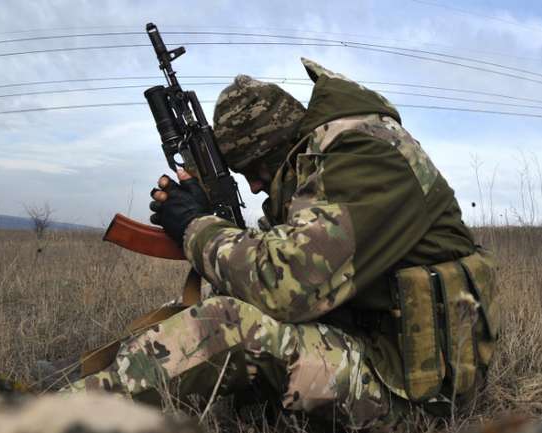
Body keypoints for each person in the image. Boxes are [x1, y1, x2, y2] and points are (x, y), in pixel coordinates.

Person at [61, 58, 498, 432]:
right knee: (202, 311)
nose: (253, 187)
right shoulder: (321, 165)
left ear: (282, 145)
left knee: (227, 323)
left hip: (414, 394)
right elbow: (269, 259)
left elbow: (283, 288)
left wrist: (196, 226)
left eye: (254, 169)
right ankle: (90, 380)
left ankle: (54, 417)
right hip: (374, 353)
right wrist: (209, 225)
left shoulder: (367, 155)